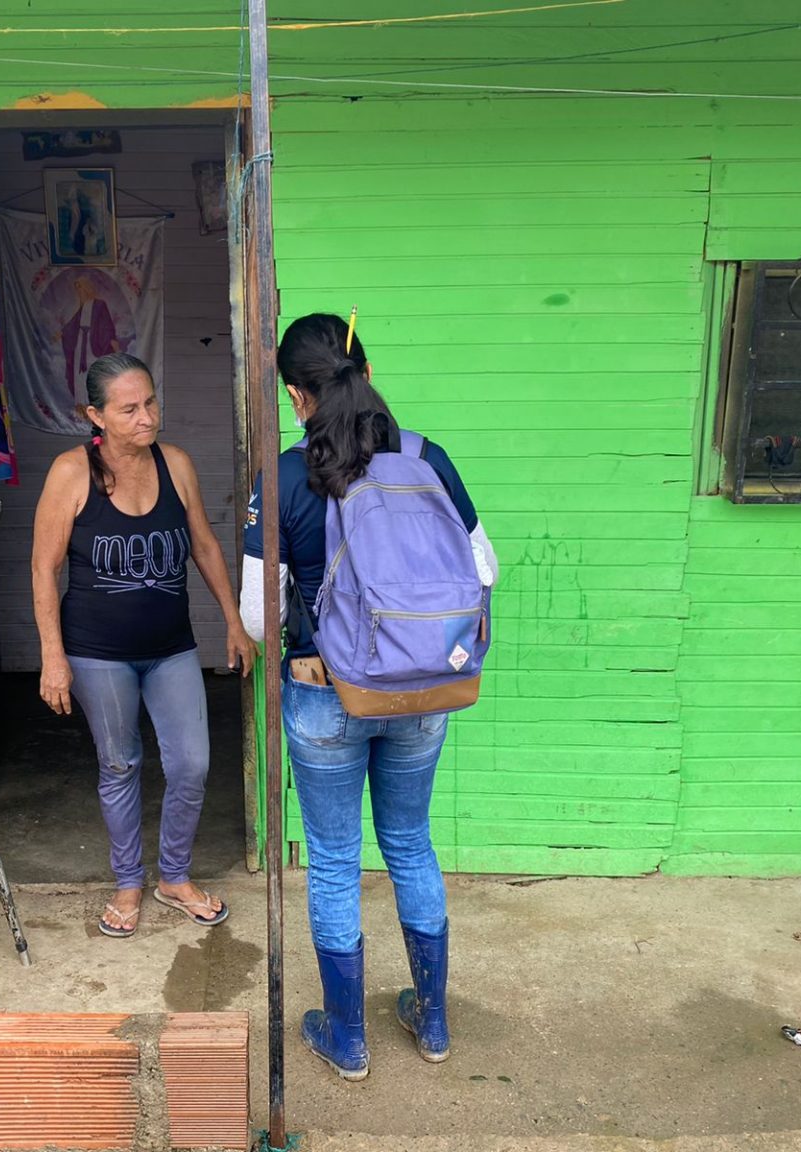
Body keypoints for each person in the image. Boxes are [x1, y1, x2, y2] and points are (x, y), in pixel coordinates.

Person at [240, 312, 498, 1082]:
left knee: (331, 859)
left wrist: (315, 639)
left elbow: (257, 616)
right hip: (421, 694)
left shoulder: (284, 477)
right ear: (369, 372)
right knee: (411, 842)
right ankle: (433, 1021)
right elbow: (483, 571)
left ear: (296, 395)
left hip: (327, 697)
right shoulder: (427, 458)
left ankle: (347, 1039)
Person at [32, 352, 258, 939]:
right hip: (95, 652)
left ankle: (174, 877)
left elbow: (203, 545)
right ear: (96, 416)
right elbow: (43, 568)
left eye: (150, 402)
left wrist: (233, 621)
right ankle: (129, 881)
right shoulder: (70, 473)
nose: (147, 417)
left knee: (192, 763)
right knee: (119, 763)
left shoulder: (175, 464)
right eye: (129, 409)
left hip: (170, 646)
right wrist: (52, 657)